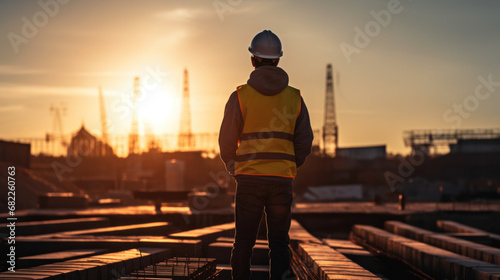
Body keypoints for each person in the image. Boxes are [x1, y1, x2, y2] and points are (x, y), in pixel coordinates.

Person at [219, 30, 313, 280]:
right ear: (278, 60)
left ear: (253, 60)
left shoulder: (240, 96)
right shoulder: (295, 98)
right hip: (281, 182)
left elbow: (227, 139)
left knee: (243, 243)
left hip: (248, 180)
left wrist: (232, 166)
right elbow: (305, 141)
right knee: (280, 244)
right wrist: (289, 165)